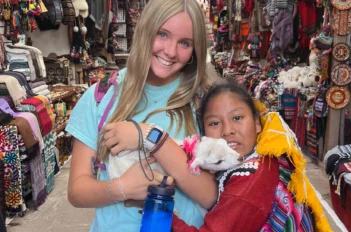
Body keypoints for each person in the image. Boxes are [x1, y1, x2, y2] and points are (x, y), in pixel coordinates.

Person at [66, 0, 218, 231]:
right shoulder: (101, 96)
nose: (170, 51)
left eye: (185, 43)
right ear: (146, 29)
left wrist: (149, 137)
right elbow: (77, 191)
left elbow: (211, 196)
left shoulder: (206, 102)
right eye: (163, 34)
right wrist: (122, 188)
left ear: (196, 49)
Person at [169, 83, 332, 231]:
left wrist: (162, 213)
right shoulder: (264, 155)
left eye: (237, 118)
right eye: (214, 123)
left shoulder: (250, 178)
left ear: (257, 124)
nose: (227, 130)